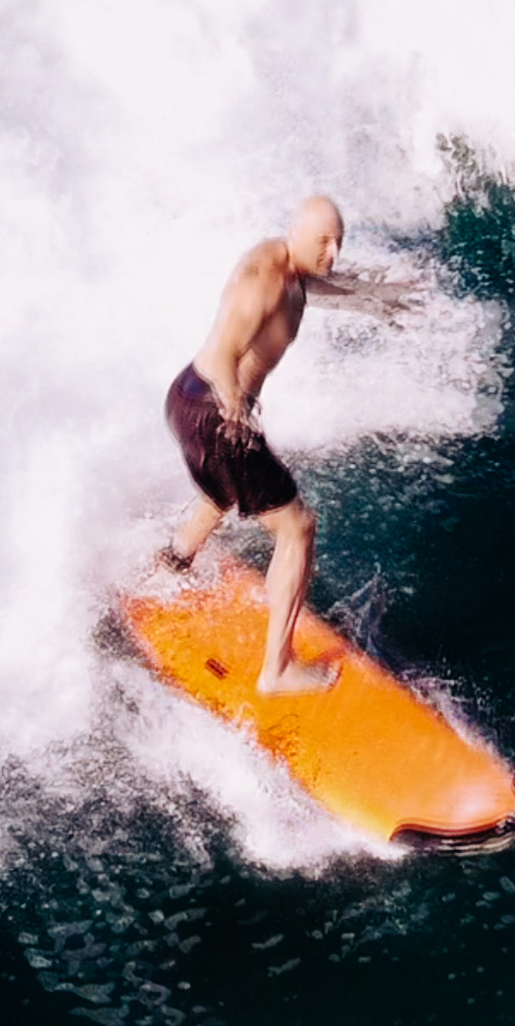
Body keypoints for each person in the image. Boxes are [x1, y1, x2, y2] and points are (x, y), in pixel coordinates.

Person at [160, 195, 402, 695]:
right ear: (298, 233)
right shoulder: (262, 282)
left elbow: (311, 282)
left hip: (185, 397)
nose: (333, 253)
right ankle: (278, 670)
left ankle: (173, 563)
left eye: (340, 243)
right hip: (213, 409)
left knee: (223, 492)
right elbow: (228, 348)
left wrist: (366, 297)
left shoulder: (288, 264)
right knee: (298, 528)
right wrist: (233, 405)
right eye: (324, 242)